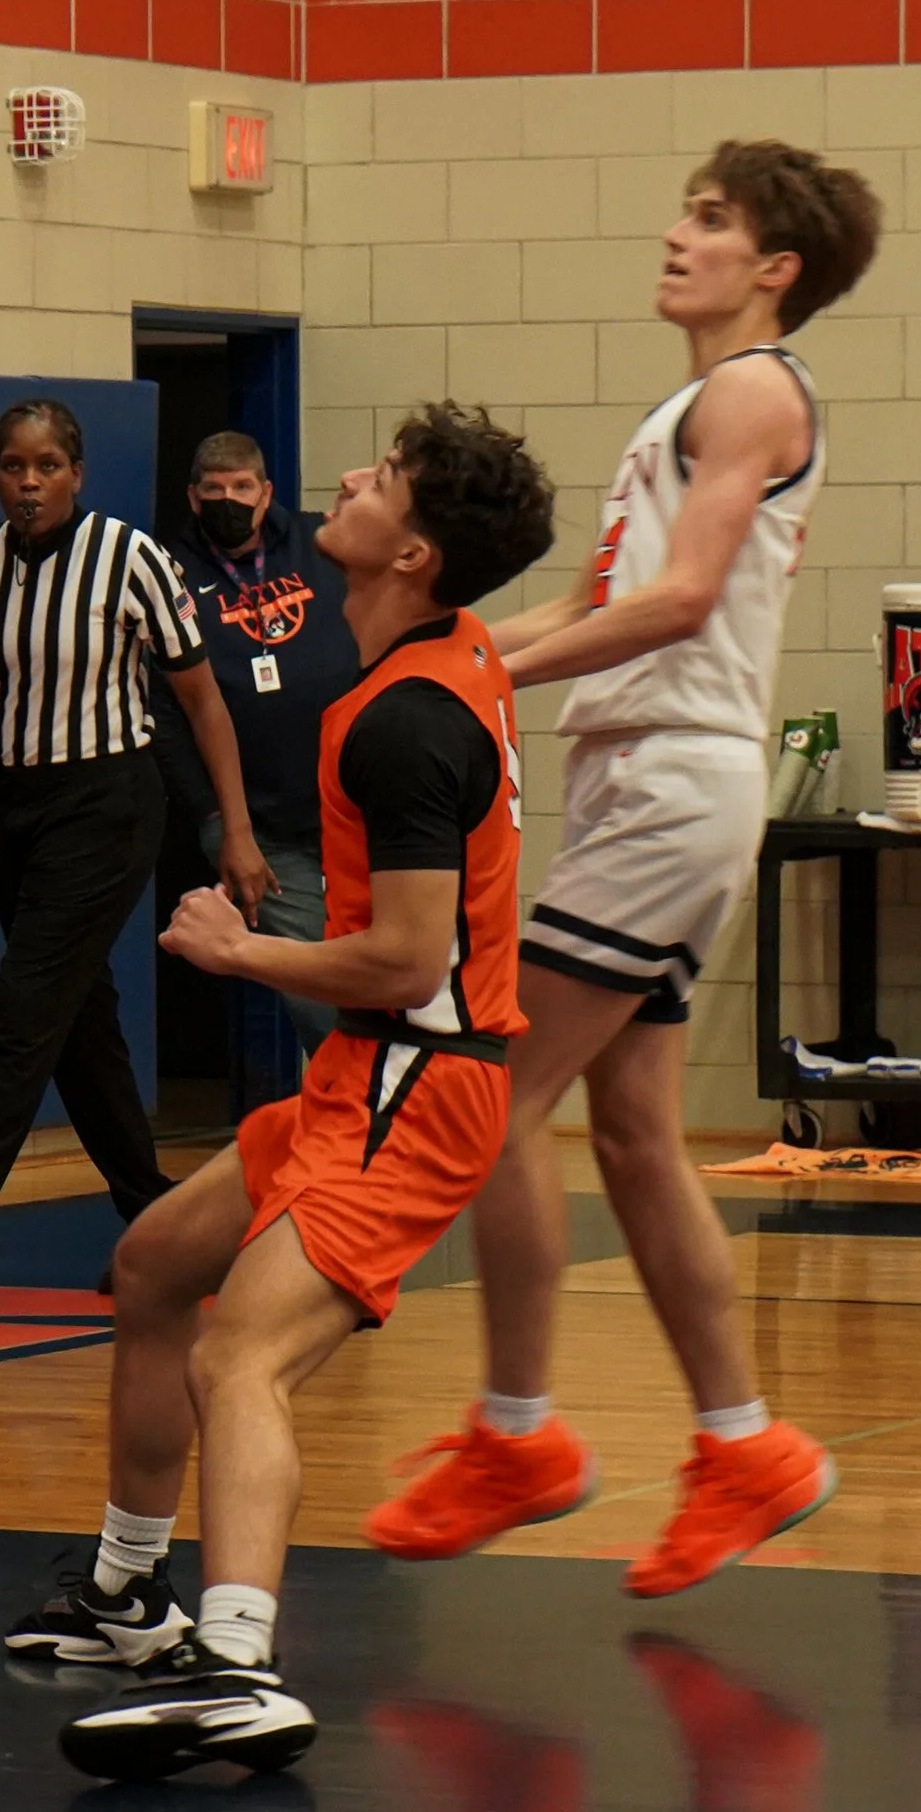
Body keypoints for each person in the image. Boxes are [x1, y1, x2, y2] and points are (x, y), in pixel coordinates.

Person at [367, 139, 883, 1598]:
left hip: (671, 777)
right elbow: (603, 598)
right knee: (639, 1132)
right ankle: (744, 1446)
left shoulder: (752, 388)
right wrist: (459, 651)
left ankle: (516, 1430)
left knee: (491, 1098)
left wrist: (481, 682)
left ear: (773, 267)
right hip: (642, 779)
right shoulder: (695, 402)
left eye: (709, 222)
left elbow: (677, 601)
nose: (676, 236)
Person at [36, 401, 557, 1782]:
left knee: (239, 1354)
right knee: (151, 1268)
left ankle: (238, 1664)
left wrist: (236, 946)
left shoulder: (404, 725)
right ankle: (126, 1597)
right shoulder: (453, 647)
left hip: (414, 1083)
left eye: (379, 476)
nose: (346, 477)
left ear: (417, 548)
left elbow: (405, 954)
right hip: (366, 1076)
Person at [0, 402, 269, 1322]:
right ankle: (167, 1225)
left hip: (110, 798)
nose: (29, 481)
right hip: (14, 806)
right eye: (13, 465)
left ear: (77, 474)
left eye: (48, 465)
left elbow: (204, 703)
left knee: (26, 1011)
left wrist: (237, 829)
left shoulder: (132, 560)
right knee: (80, 1029)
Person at [154, 427, 357, 1073]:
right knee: (314, 985)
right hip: (258, 827)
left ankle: (377, 1116)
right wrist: (220, 823)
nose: (228, 500)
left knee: (376, 968)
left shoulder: (318, 542)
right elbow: (166, 710)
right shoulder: (168, 571)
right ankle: (359, 1108)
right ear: (191, 496)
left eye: (242, 487)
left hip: (352, 806)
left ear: (267, 493)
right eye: (213, 490)